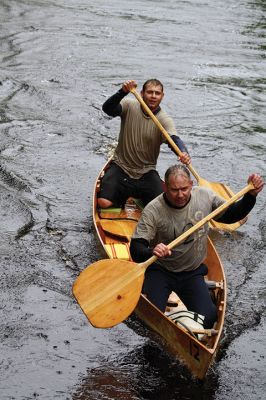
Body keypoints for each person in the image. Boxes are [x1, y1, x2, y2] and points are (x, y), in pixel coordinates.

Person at [130, 164, 264, 328]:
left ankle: (185, 317)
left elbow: (232, 215)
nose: (180, 195)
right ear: (165, 187)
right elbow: (136, 249)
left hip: (191, 272)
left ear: (191, 185)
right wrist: (153, 251)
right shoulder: (153, 210)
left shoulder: (205, 196)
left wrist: (250, 196)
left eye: (184, 189)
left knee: (209, 320)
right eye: (174, 190)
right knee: (152, 320)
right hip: (160, 270)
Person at [97, 79, 191, 209]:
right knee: (104, 203)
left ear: (162, 96)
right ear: (142, 93)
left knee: (163, 209)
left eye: (157, 93)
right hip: (121, 167)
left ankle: (139, 198)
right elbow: (108, 109)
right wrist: (122, 92)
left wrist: (183, 152)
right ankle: (121, 199)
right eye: (150, 92)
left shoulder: (164, 119)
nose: (153, 96)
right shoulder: (129, 105)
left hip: (146, 172)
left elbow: (174, 140)